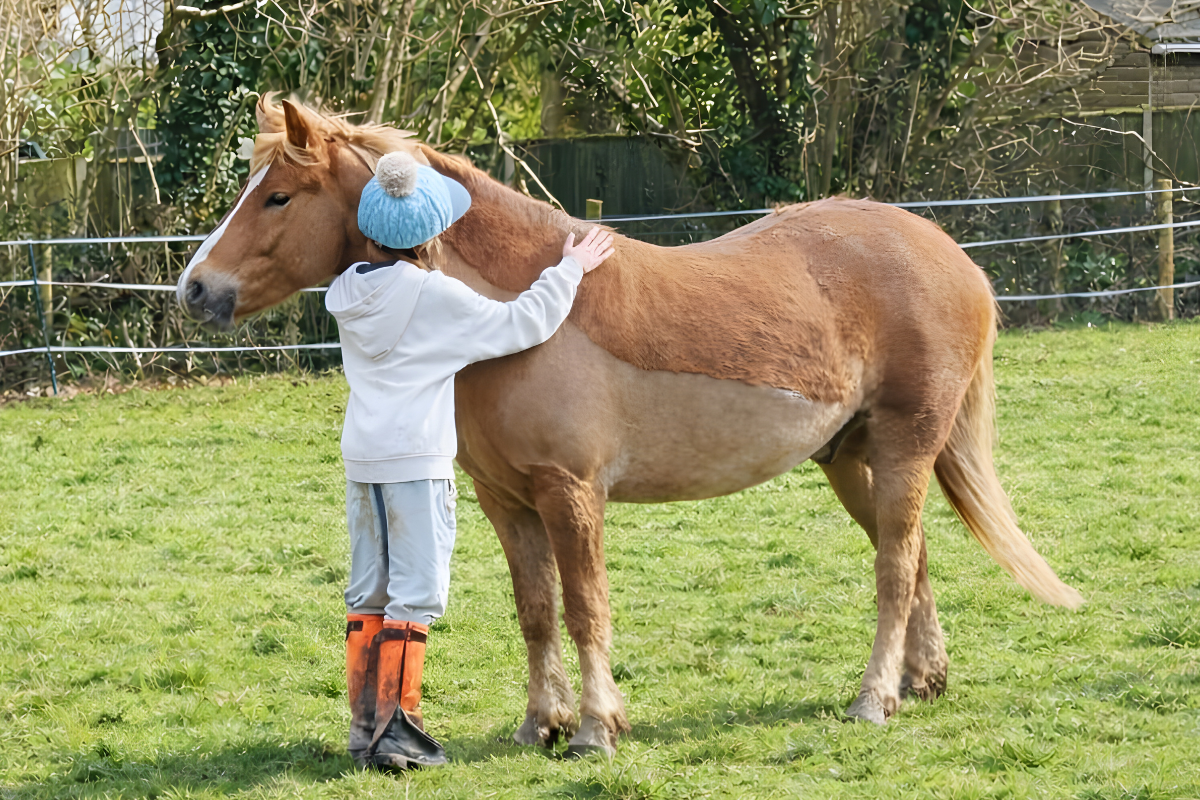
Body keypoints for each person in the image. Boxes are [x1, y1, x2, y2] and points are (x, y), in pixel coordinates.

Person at [325, 150, 615, 771]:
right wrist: (570, 267)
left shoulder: (345, 292)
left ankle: (365, 725)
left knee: (367, 590)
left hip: (363, 461)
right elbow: (524, 322)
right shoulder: (435, 297)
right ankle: (398, 729)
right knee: (416, 593)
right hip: (419, 462)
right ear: (430, 233)